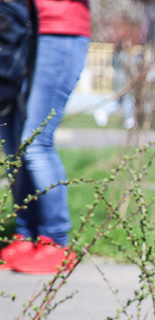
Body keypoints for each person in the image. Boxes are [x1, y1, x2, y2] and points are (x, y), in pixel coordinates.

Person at [0, 0, 89, 274]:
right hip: (21, 27)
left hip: (59, 29)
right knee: (14, 138)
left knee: (35, 140)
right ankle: (27, 234)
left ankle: (56, 240)